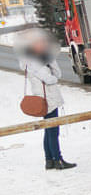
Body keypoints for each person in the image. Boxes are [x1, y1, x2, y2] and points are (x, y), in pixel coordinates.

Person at [17, 29, 76, 170]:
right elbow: (50, 78)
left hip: (45, 99)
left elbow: (58, 73)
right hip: (47, 100)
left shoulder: (37, 58)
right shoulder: (33, 60)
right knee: (53, 131)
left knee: (48, 130)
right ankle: (58, 160)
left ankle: (49, 160)